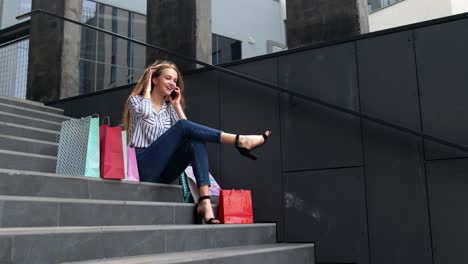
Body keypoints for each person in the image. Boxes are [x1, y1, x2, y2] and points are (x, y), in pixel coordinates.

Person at [123, 60, 270, 224]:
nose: (172, 83)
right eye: (168, 78)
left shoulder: (169, 109)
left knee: (195, 141)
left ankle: (204, 202)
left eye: (175, 81)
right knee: (186, 129)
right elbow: (145, 112)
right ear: (154, 79)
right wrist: (148, 89)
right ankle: (239, 140)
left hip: (164, 172)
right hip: (143, 166)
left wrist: (177, 106)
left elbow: (189, 131)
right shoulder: (136, 101)